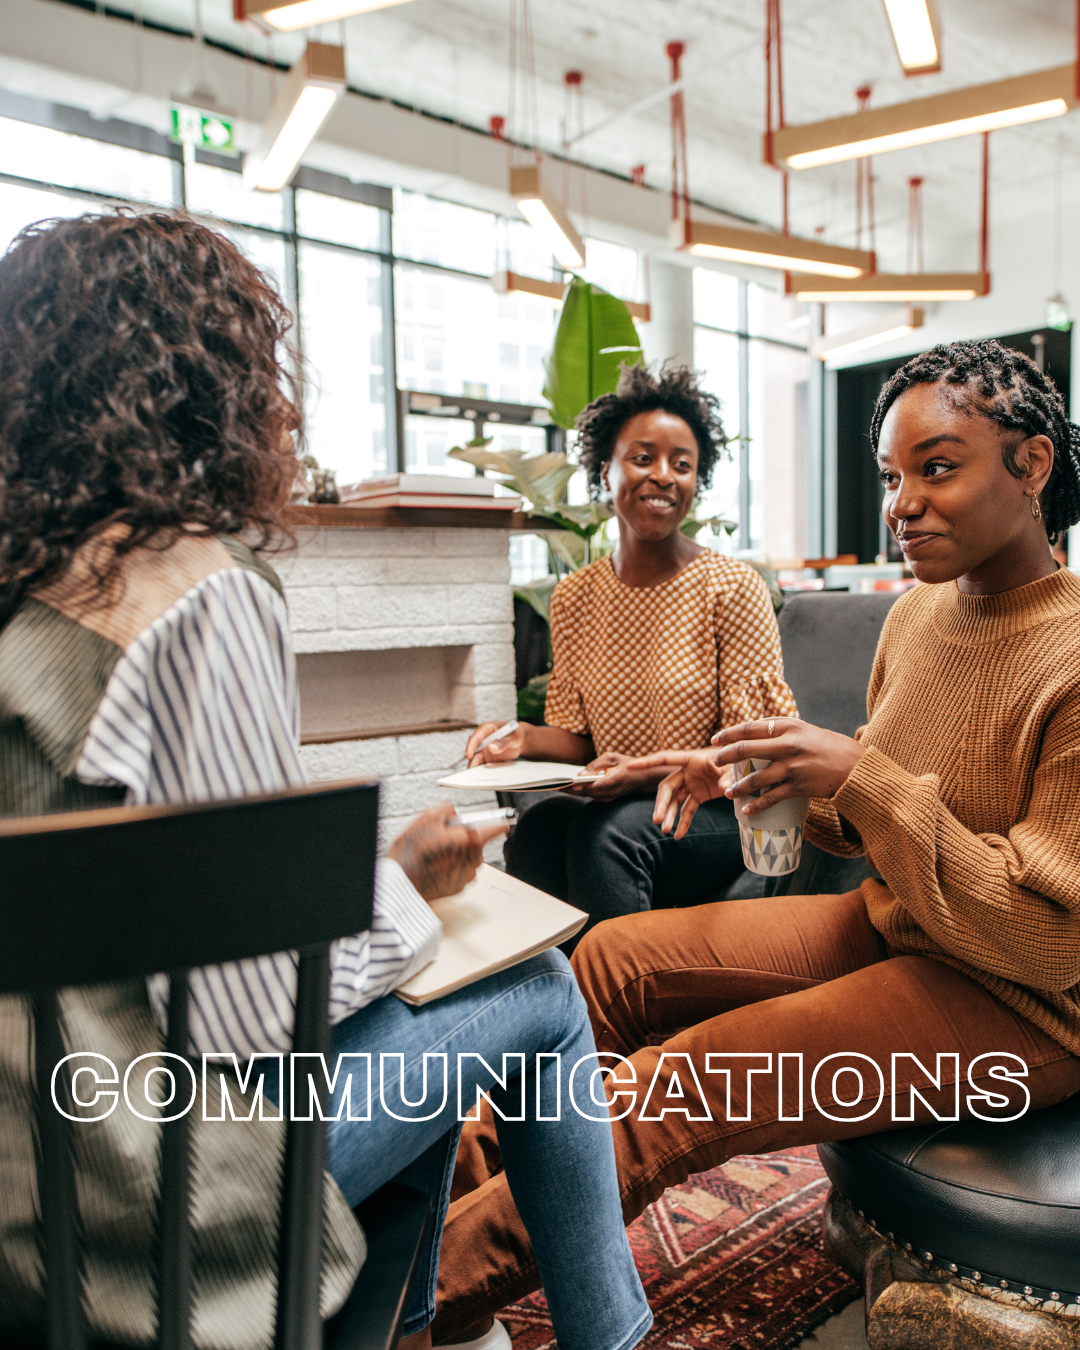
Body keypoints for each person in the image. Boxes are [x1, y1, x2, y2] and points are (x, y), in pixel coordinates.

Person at [0, 210, 651, 1350]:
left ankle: (397, 1327)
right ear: (205, 385)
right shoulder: (193, 589)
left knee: (427, 1029)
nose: (283, 406)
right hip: (151, 1219)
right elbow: (252, 1024)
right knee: (535, 992)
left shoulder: (24, 589)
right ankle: (614, 1340)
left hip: (21, 1191)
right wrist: (404, 888)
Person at [432, 340, 1080, 1340]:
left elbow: (1051, 938)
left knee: (673, 1088)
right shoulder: (913, 619)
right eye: (891, 477)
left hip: (1024, 1002)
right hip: (899, 924)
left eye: (938, 468)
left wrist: (860, 777)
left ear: (1030, 466)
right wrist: (754, 774)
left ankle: (389, 1300)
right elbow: (860, 805)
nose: (902, 503)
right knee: (602, 963)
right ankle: (406, 1206)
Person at [464, 364, 797, 942]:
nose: (663, 476)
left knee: (610, 834)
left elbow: (756, 752)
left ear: (697, 481)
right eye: (643, 458)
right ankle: (555, 1006)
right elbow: (578, 740)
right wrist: (521, 738)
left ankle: (622, 1020)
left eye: (682, 464)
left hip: (720, 806)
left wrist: (641, 773)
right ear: (606, 470)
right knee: (542, 825)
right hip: (627, 798)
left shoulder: (732, 587)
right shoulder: (576, 595)